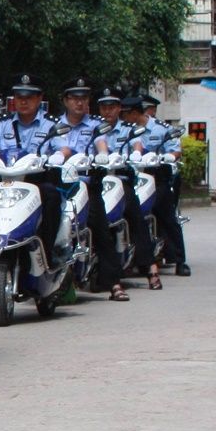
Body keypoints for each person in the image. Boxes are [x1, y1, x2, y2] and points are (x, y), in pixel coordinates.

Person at [0, 73, 70, 267]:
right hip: (4, 181)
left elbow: (64, 148)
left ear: (40, 98)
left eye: (29, 97)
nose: (24, 101)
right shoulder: (2, 123)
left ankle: (47, 252)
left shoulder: (50, 123)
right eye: (19, 97)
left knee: (52, 196)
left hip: (36, 182)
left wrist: (58, 155)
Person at [56, 77, 129, 303]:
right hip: (61, 184)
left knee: (101, 229)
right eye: (74, 98)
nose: (79, 102)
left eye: (84, 98)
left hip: (87, 183)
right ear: (65, 101)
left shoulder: (96, 125)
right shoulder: (55, 125)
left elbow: (101, 143)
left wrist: (103, 155)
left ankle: (114, 284)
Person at [95, 95, 164, 291]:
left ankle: (151, 268)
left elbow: (137, 143)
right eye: (104, 107)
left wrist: (136, 153)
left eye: (111, 107)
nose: (107, 111)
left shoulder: (128, 129)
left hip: (122, 180)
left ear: (119, 109)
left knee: (136, 218)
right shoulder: (96, 128)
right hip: (99, 181)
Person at [139, 91, 189, 275]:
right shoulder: (125, 128)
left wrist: (169, 157)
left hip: (157, 176)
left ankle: (179, 260)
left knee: (167, 216)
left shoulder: (161, 128)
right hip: (133, 177)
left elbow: (175, 151)